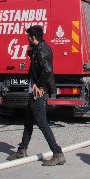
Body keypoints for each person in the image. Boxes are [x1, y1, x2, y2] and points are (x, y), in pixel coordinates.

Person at [6, 25, 65, 166]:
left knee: (42, 123)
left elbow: (47, 70)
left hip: (39, 91)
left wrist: (39, 85)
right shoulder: (38, 49)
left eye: (28, 37)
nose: (27, 40)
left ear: (33, 38)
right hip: (35, 90)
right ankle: (22, 150)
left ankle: (57, 153)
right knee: (28, 120)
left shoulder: (42, 50)